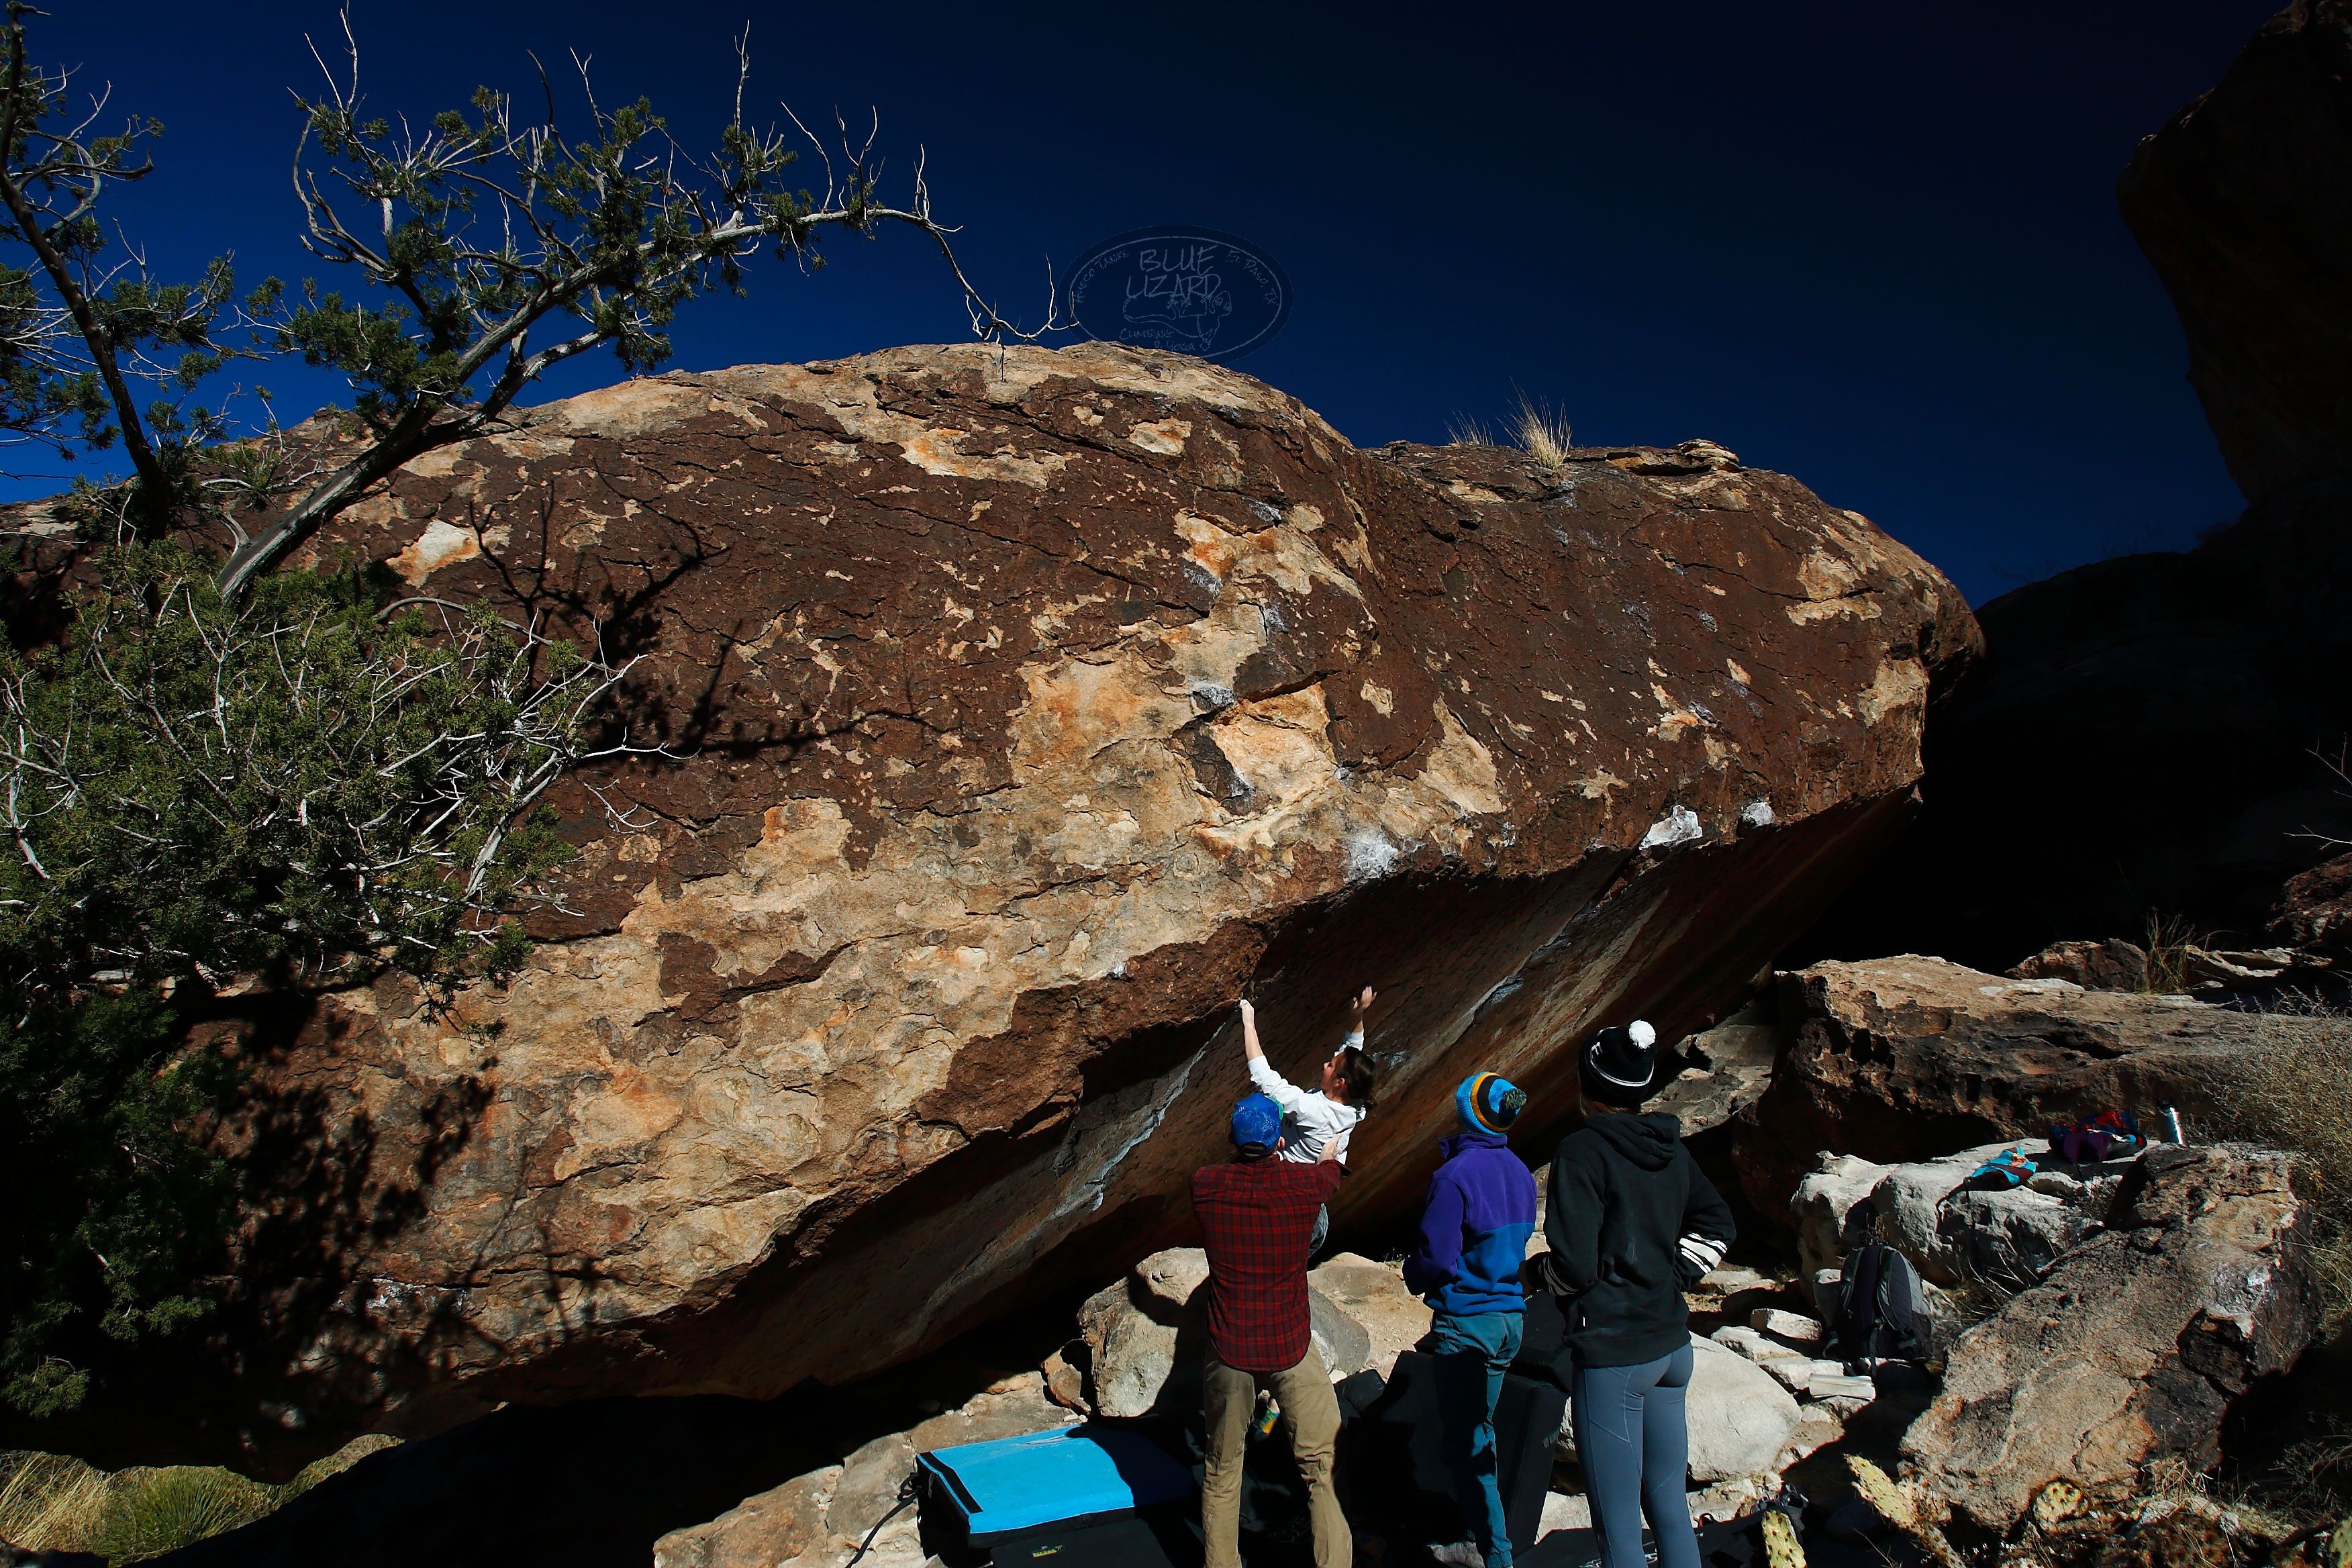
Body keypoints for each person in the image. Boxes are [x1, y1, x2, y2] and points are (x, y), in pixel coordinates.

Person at [1536, 1020, 1736, 1568]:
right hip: (1672, 1346)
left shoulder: (1580, 1152)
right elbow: (1718, 1223)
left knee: (1619, 1524)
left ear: (1585, 1086)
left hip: (1614, 1354)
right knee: (1669, 1504)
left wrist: (1539, 1278)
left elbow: (1574, 1266)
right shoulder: (1668, 1144)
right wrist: (1672, 1278)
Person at [1191, 1091, 1353, 1568]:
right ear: (1281, 1141)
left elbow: (1232, 1172)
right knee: (1320, 1470)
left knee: (1222, 1470)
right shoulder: (1305, 1187)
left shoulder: (1204, 1185)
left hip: (1230, 1348)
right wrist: (1328, 1154)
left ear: (1231, 1140)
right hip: (1290, 1344)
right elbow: (1329, 1178)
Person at [1404, 1072, 1538, 1568]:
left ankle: (1492, 1553)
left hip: (1468, 1323)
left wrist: (1412, 1274)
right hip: (1509, 1322)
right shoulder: (1521, 1172)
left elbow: (1436, 1259)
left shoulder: (1454, 1177)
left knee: (1468, 1445)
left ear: (1467, 1112)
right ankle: (1476, 1534)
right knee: (1481, 1432)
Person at [1238, 987, 1377, 1256]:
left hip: (1289, 1208)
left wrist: (1249, 1023)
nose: (1326, 1062)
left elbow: (1264, 1079)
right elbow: (1353, 1045)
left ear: (1339, 1082)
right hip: (1315, 1212)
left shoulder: (1314, 1110)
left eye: (1331, 1065)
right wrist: (1358, 1014)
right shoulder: (1352, 1103)